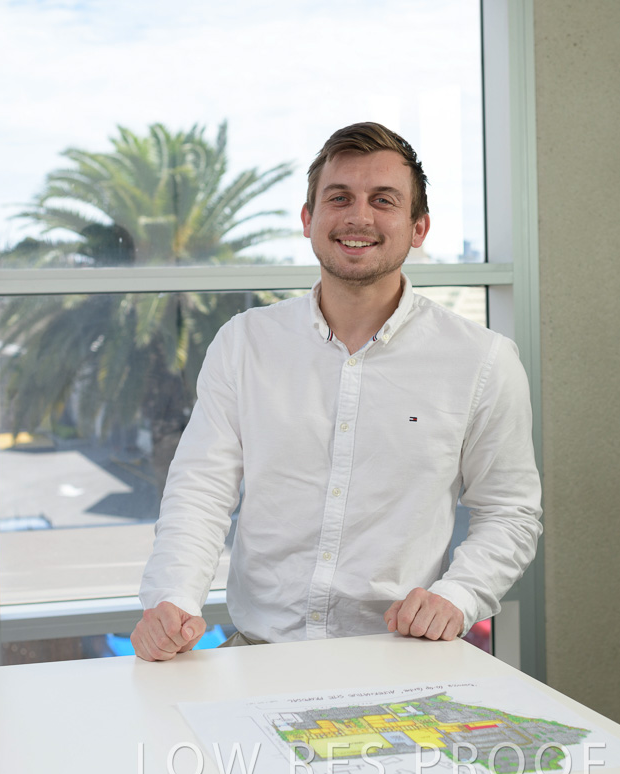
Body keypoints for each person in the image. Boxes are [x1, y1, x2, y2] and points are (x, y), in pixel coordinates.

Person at [131, 122, 542, 662]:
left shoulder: (483, 360)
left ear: (418, 227)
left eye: (384, 200)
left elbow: (510, 512)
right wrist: (173, 598)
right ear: (309, 219)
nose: (358, 217)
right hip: (258, 655)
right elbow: (200, 489)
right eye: (339, 197)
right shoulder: (244, 343)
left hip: (403, 656)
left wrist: (458, 596)